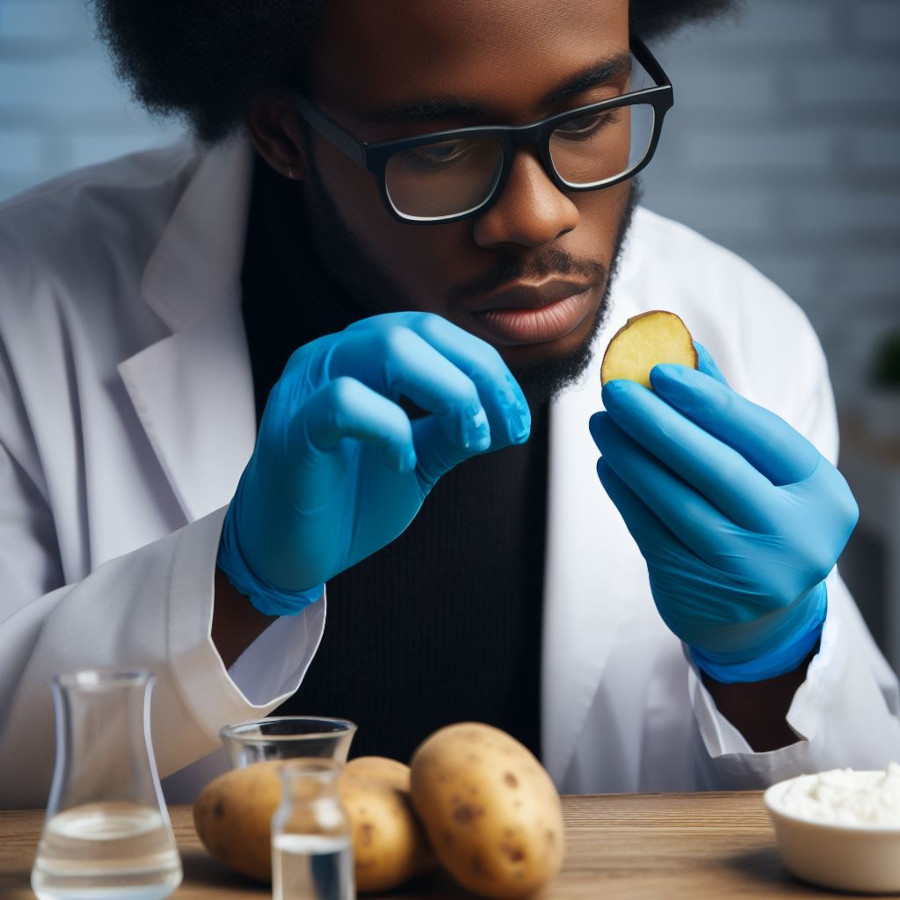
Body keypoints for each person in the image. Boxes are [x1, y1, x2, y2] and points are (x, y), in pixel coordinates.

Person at [1, 0, 898, 809]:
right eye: (439, 148)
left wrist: (772, 662)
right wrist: (235, 585)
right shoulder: (26, 305)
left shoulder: (742, 329)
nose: (538, 215)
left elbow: (862, 808)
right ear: (280, 133)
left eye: (588, 117)